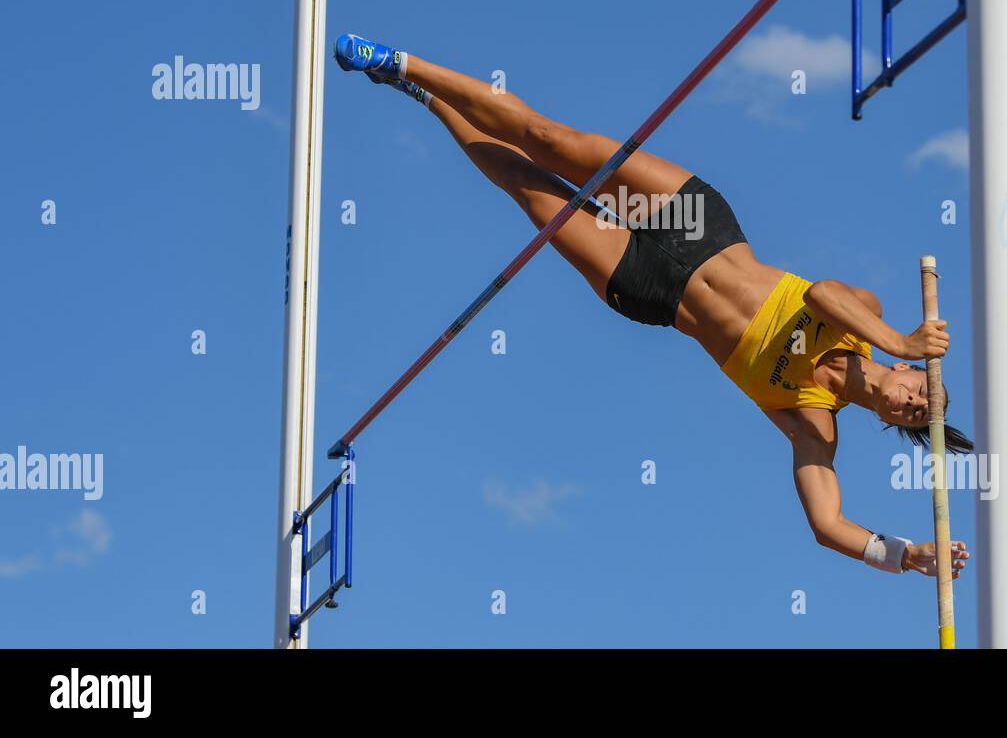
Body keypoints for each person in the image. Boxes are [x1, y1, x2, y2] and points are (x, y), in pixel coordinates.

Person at [334, 34, 969, 581]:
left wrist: (904, 553)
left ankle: (429, 100)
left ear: (897, 423)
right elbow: (821, 294)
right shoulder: (868, 319)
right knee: (549, 139)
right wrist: (898, 341)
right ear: (914, 374)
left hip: (652, 288)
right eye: (925, 391)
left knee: (531, 192)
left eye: (919, 416)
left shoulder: (814, 423)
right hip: (696, 228)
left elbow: (826, 525)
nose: (915, 402)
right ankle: (404, 63)